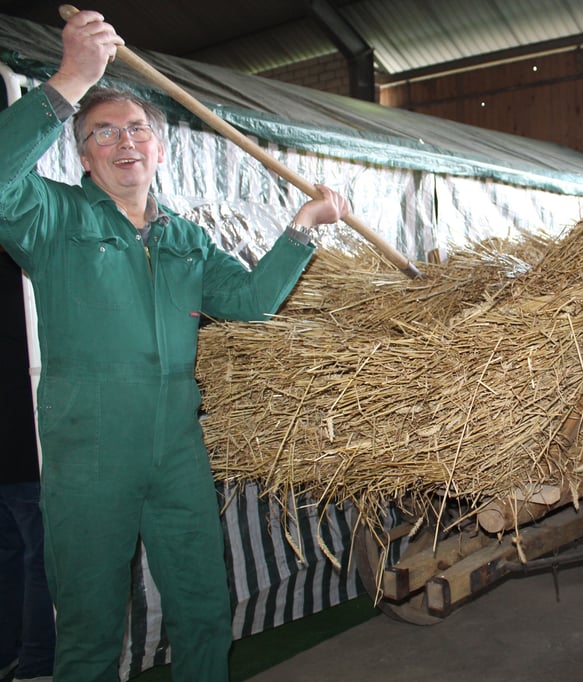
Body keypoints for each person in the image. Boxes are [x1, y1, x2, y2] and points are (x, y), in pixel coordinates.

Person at [0, 10, 350, 681]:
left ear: (159, 149)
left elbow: (250, 303)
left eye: (136, 130)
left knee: (202, 610)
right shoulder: (52, 218)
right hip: (89, 459)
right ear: (83, 155)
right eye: (102, 133)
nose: (123, 141)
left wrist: (302, 228)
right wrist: (70, 80)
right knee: (90, 628)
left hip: (177, 453)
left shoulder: (184, 238)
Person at [0, 247, 55, 682]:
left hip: (14, 451)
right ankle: (38, 664)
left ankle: (11, 653)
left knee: (13, 555)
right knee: (42, 559)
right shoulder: (24, 271)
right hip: (24, 448)